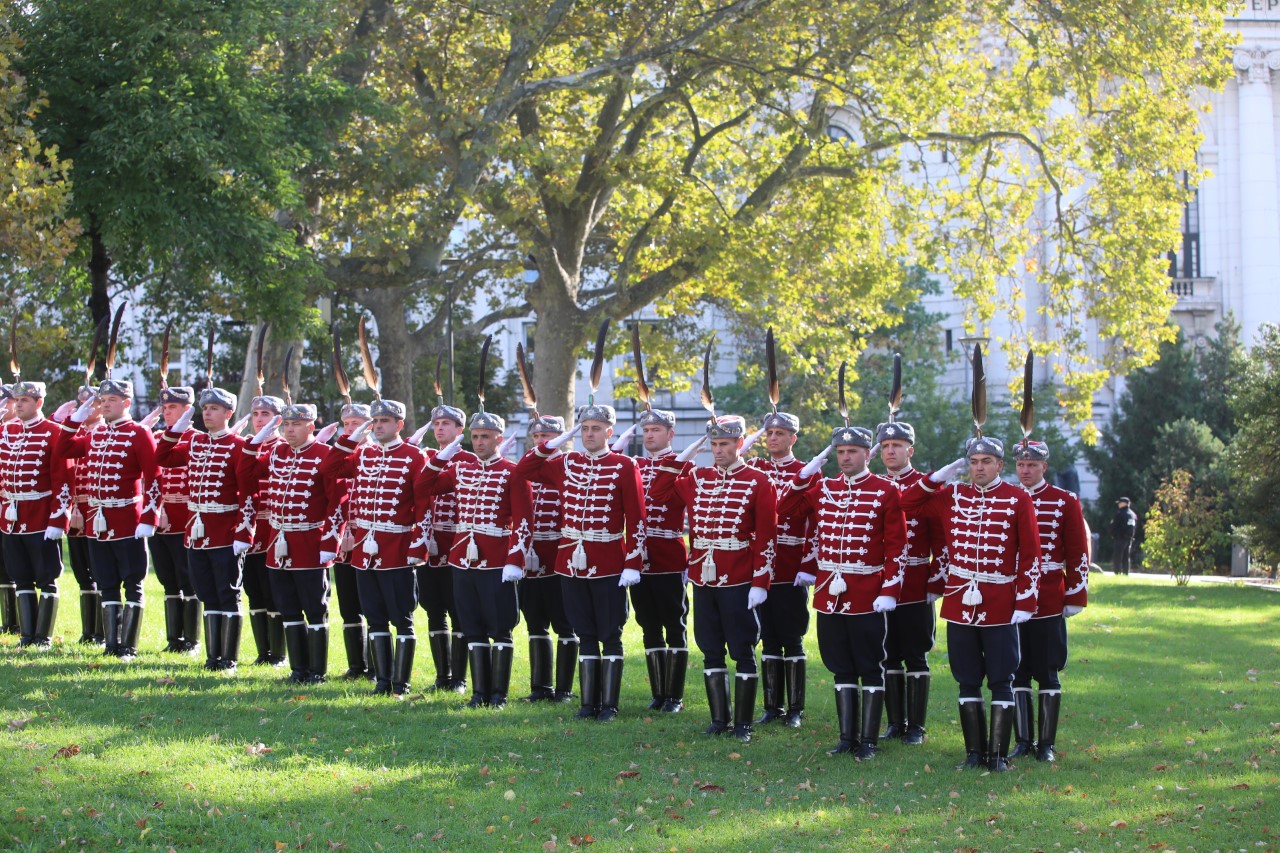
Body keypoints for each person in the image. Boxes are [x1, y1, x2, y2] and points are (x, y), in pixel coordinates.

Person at [900, 436, 1041, 771]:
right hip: (961, 600)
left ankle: (999, 756)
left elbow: (1031, 554)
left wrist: (1026, 599)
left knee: (1001, 678)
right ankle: (974, 753)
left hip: (1000, 601)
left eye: (986, 461)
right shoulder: (952, 495)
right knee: (966, 678)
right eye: (974, 462)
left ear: (999, 465)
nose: (979, 468)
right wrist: (937, 477)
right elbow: (908, 503)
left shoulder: (1017, 498)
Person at [649, 416, 777, 743]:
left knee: (742, 649)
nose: (718, 451)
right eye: (714, 444)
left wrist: (761, 582)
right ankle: (720, 719)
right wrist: (685, 455)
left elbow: (766, 536)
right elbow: (660, 491)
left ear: (740, 444)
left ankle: (743, 724)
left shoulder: (758, 481)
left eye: (725, 444)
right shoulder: (698, 477)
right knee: (710, 649)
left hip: (737, 577)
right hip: (703, 578)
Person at [781, 425, 906, 759]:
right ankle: (847, 737)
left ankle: (868, 740)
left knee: (869, 664)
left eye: (852, 452)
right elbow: (786, 508)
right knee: (840, 665)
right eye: (840, 452)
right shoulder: (825, 489)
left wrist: (890, 589)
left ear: (868, 454)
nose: (846, 457)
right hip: (829, 592)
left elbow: (897, 546)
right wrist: (807, 472)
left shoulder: (884, 491)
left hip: (866, 591)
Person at [516, 403, 645, 723]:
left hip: (608, 561)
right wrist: (555, 442)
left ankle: (610, 705)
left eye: (596, 429)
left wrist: (632, 562)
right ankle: (588, 703)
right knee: (584, 631)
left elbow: (637, 517)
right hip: (570, 562)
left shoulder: (624, 465)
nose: (589, 434)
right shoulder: (567, 462)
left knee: (609, 632)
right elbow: (524, 470)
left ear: (609, 432)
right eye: (584, 429)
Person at [418, 412, 530, 708]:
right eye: (476, 436)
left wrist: (515, 560)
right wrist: (443, 456)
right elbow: (423, 486)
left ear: (499, 439)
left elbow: (523, 521)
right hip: (461, 559)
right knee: (471, 625)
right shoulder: (461, 470)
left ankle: (499, 695)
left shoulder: (511, 471)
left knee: (500, 626)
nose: (479, 442)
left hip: (496, 560)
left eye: (485, 437)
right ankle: (479, 693)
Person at [320, 399, 428, 697]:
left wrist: (418, 545)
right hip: (364, 554)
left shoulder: (413, 457)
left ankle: (401, 683)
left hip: (397, 549)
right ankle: (382, 681)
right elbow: (329, 469)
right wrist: (351, 437)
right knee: (374, 616)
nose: (378, 426)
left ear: (399, 425)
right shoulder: (363, 454)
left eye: (384, 421)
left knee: (402, 619)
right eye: (375, 421)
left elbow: (423, 504)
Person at [239, 404, 345, 683]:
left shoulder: (324, 454)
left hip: (309, 541)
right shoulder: (277, 452)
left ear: (311, 426)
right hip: (278, 542)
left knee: (314, 607)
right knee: (287, 606)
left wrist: (329, 542)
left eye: (295, 425)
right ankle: (298, 670)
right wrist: (259, 437)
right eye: (286, 425)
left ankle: (317, 672)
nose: (289, 430)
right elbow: (246, 471)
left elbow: (337, 503)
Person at [59, 379, 159, 659]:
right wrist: (76, 418)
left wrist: (149, 517)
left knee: (132, 582)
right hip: (97, 521)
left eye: (111, 400)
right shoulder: (96, 434)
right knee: (106, 581)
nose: (104, 405)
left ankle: (128, 645)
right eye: (102, 401)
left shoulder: (139, 433)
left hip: (127, 518)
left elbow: (154, 477)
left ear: (126, 403)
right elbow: (64, 448)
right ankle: (111, 643)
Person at [156, 387, 252, 670]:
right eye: (205, 408)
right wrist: (176, 430)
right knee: (206, 592)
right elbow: (163, 457)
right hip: (196, 532)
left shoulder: (237, 446)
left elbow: (247, 494)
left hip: (224, 531)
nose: (207, 413)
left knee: (227, 593)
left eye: (214, 409)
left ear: (228, 413)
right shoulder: (196, 444)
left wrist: (243, 533)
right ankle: (213, 657)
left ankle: (229, 658)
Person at [1012, 440, 1089, 762]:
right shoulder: (1006, 497)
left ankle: (1046, 743)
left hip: (1046, 595)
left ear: (1044, 466)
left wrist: (1075, 594)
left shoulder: (1064, 501)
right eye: (1020, 465)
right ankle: (1022, 741)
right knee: (1016, 671)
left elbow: (1077, 551)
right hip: (1010, 595)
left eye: (1032, 465)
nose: (1026, 470)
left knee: (1047, 670)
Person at [875, 420, 946, 745]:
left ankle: (916, 726)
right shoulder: (873, 486)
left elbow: (943, 540)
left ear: (910, 450)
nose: (891, 451)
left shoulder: (928, 487)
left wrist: (936, 581)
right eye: (886, 446)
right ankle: (895, 722)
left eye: (897, 446)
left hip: (916, 582)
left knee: (916, 653)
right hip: (879, 584)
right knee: (887, 653)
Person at [746, 411, 813, 729]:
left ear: (792, 438)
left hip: (790, 564)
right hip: (760, 567)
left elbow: (816, 525)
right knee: (768, 636)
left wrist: (808, 565)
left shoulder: (806, 473)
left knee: (792, 636)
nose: (773, 438)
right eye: (769, 433)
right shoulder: (755, 469)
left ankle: (795, 708)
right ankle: (772, 706)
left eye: (780, 433)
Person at [627, 408, 692, 713]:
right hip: (638, 558)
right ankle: (659, 692)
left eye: (656, 430)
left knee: (674, 623)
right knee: (647, 623)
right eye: (646, 430)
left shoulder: (684, 466)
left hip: (668, 554)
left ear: (670, 433)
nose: (649, 435)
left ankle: (675, 695)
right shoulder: (634, 465)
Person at [0, 380, 71, 648]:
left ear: (39, 402)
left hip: (41, 516)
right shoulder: (6, 431)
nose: (18, 405)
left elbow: (63, 480)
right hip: (11, 517)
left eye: (24, 401)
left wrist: (58, 519)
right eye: (16, 401)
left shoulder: (54, 433)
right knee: (20, 576)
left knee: (46, 577)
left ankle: (43, 636)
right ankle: (27, 635)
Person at [517, 415, 579, 703]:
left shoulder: (571, 466)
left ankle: (564, 689)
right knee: (535, 624)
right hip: (531, 558)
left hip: (559, 556)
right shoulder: (527, 468)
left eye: (548, 436)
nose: (542, 441)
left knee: (565, 624)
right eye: (538, 436)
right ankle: (540, 687)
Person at [415, 402, 475, 693]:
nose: (440, 428)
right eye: (436, 424)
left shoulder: (469, 460)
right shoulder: (426, 458)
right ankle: (442, 675)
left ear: (459, 430)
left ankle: (460, 679)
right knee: (433, 609)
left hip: (458, 545)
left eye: (446, 424)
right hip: (430, 546)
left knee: (459, 609)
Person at [145, 386, 200, 653]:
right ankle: (173, 639)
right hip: (159, 518)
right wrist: (157, 507)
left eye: (174, 408)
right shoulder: (157, 437)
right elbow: (151, 478)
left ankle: (191, 640)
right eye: (166, 408)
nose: (168, 413)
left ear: (187, 410)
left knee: (188, 578)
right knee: (167, 579)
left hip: (186, 519)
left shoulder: (198, 439)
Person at [239, 394, 287, 666]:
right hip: (250, 528)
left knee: (273, 591)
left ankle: (278, 653)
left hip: (273, 529)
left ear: (277, 419)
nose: (259, 420)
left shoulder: (282, 447)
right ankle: (263, 651)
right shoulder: (249, 446)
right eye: (256, 415)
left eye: (265, 415)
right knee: (253, 589)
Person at [62, 383, 106, 644]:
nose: (85, 407)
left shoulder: (104, 433)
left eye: (91, 402)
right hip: (75, 511)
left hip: (97, 512)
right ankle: (88, 631)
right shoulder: (78, 433)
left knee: (100, 572)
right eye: (81, 403)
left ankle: (101, 631)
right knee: (81, 572)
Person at [331, 403, 372, 679]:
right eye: (347, 424)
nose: (351, 428)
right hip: (342, 542)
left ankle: (377, 665)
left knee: (371, 605)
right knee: (348, 606)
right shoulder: (341, 454)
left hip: (369, 541)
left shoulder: (376, 454)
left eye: (357, 423)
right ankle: (356, 665)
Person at [1111, 498, 1137, 575]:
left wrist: (1114, 534)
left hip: (1120, 538)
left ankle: (1117, 572)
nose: (1118, 504)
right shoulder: (1133, 514)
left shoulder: (1120, 513)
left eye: (1120, 503)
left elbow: (1114, 525)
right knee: (1126, 557)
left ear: (1124, 503)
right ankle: (1126, 572)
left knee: (1117, 557)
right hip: (1129, 538)